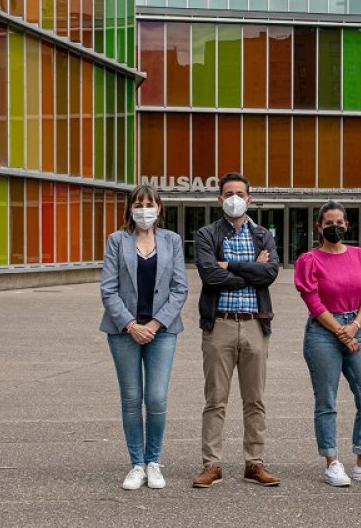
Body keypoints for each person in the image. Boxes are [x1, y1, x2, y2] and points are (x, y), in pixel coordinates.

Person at [293, 201, 361, 487]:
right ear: (319, 227)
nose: (335, 227)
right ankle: (332, 462)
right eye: (329, 223)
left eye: (340, 223)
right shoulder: (309, 260)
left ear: (347, 225)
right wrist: (341, 331)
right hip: (323, 332)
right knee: (326, 400)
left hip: (356, 326)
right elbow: (312, 301)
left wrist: (353, 327)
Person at [192, 172, 282, 488]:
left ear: (249, 199)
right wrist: (250, 270)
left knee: (255, 398)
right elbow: (209, 276)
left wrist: (228, 266)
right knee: (215, 398)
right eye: (228, 193)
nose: (234, 198)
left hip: (256, 323)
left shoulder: (262, 235)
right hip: (220, 324)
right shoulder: (206, 234)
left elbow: (270, 273)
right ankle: (211, 464)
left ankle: (254, 463)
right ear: (219, 199)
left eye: (239, 193)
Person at [100, 184, 189, 491]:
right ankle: (136, 464)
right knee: (131, 399)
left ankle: (154, 461)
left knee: (156, 398)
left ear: (159, 208)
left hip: (162, 332)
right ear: (130, 208)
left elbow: (180, 288)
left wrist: (154, 324)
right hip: (123, 332)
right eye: (139, 203)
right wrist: (130, 324)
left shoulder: (172, 240)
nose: (144, 208)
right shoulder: (117, 240)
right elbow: (108, 289)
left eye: (150, 203)